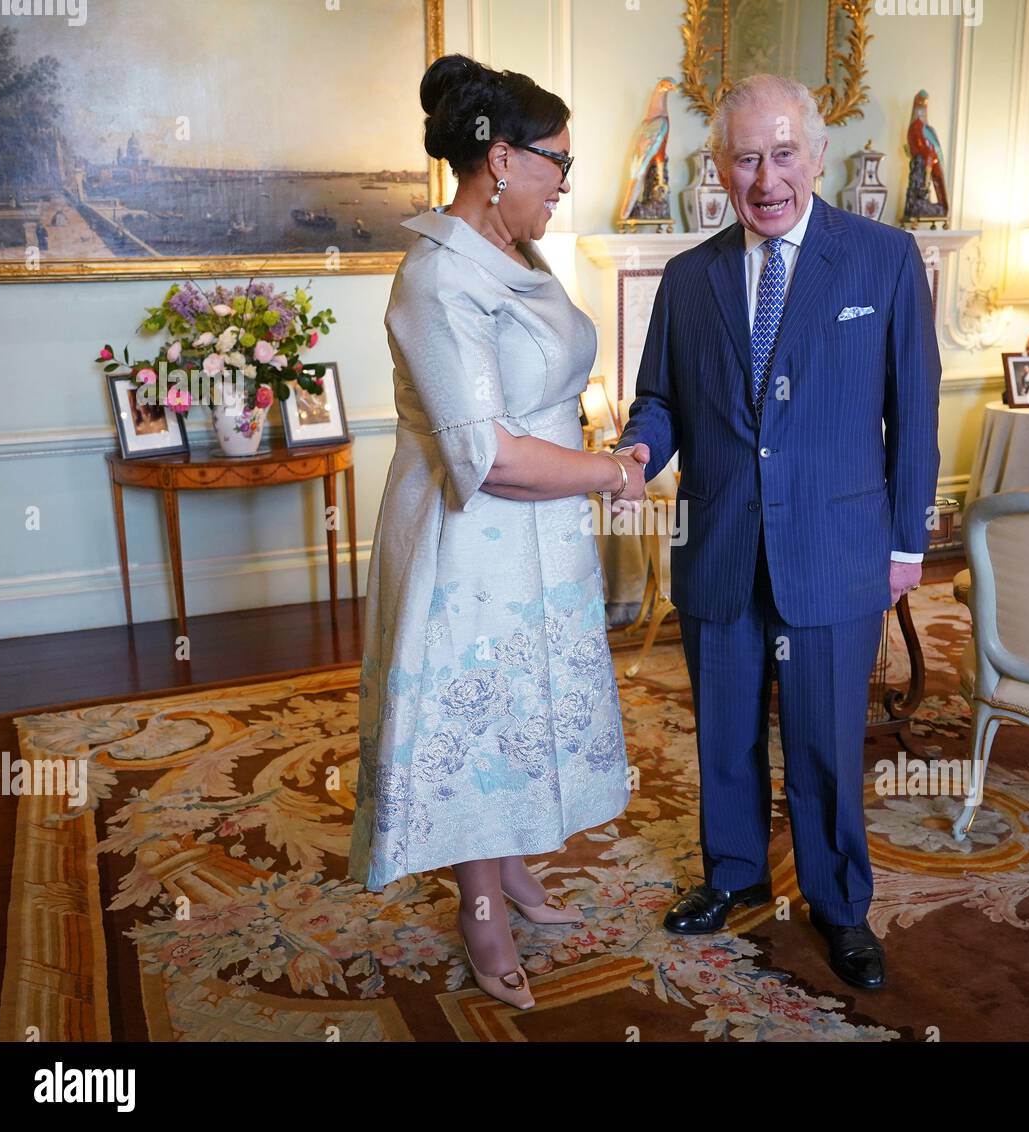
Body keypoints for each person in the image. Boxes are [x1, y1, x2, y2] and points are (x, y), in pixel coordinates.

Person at [613, 73, 941, 991]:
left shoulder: (882, 259)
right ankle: (733, 877)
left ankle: (839, 906)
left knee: (827, 741)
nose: (766, 180)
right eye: (746, 158)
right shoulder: (688, 277)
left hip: (837, 554)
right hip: (721, 545)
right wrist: (638, 450)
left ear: (819, 154)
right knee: (723, 732)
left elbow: (913, 415)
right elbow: (663, 398)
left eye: (784, 153)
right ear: (718, 165)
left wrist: (906, 545)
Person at [347, 54, 645, 1011]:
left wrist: (601, 457)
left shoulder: (520, 249)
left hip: (542, 531)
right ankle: (481, 909)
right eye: (559, 160)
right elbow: (488, 455)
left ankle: (508, 862)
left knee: (526, 699)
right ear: (502, 159)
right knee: (476, 710)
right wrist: (609, 473)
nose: (568, 181)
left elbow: (542, 385)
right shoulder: (434, 280)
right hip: (469, 537)